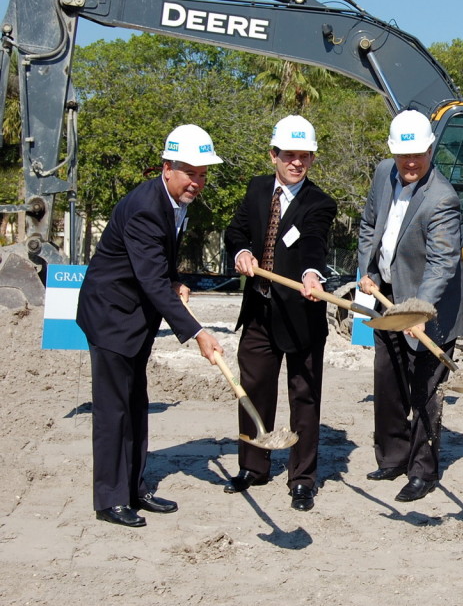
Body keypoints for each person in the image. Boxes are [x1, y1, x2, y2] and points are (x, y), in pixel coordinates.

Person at [77, 124, 224, 528]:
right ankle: (109, 499)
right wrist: (197, 332)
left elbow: (158, 267)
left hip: (135, 317)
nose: (197, 181)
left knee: (135, 403)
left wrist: (176, 278)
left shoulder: (175, 201)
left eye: (203, 173)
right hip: (111, 316)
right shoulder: (145, 206)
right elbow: (149, 280)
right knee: (113, 410)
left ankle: (135, 488)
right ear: (167, 167)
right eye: (190, 172)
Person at [223, 115, 338, 512]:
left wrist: (311, 274)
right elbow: (235, 231)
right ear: (273, 155)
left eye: (304, 157)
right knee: (253, 390)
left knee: (304, 398)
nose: (297, 163)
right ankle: (253, 466)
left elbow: (313, 244)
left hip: (301, 315)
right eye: (289, 155)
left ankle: (302, 478)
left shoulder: (320, 202)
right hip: (258, 309)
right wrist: (241, 252)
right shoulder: (257, 189)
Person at [357, 109, 463, 503]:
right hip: (386, 294)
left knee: (424, 389)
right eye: (404, 156)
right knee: (387, 380)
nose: (411, 163)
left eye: (418, 154)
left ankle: (423, 470)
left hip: (429, 307)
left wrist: (418, 309)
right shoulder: (384, 172)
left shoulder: (442, 199)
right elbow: (370, 223)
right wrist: (366, 268)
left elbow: (442, 262)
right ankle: (392, 456)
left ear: (431, 149)